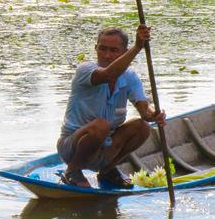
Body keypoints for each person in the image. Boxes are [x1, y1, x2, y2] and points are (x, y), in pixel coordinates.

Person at [57, 24, 166, 188]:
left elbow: (145, 110)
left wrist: (155, 114)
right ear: (96, 48)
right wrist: (137, 47)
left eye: (114, 50)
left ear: (123, 52)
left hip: (105, 147)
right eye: (102, 49)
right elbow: (109, 74)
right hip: (71, 148)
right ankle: (72, 171)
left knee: (142, 126)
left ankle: (107, 170)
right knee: (101, 125)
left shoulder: (130, 77)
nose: (107, 55)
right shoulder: (85, 71)